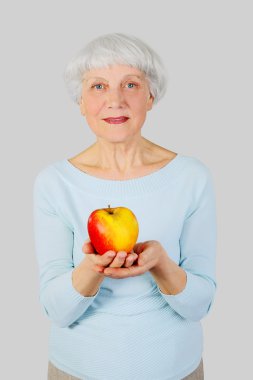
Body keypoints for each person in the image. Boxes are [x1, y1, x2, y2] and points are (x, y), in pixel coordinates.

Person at [33, 32, 217, 380]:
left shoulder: (192, 177)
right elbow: (56, 310)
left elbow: (200, 304)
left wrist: (162, 264)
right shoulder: (55, 182)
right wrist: (93, 269)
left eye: (130, 85)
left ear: (151, 96)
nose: (115, 100)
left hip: (176, 371)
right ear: (80, 101)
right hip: (76, 371)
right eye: (98, 86)